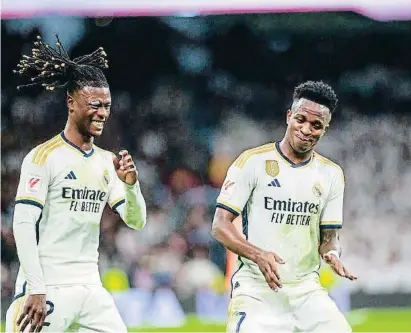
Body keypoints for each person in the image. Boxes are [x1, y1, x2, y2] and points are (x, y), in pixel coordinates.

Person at [6, 35, 147, 333]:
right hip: (48, 284)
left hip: (89, 286)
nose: (102, 112)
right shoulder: (43, 157)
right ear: (71, 102)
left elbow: (136, 221)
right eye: (94, 104)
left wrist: (132, 186)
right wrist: (36, 287)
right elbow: (22, 223)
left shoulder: (107, 162)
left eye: (107, 105)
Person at [211, 81, 357, 332]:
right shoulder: (252, 162)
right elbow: (219, 226)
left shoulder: (332, 175)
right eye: (301, 119)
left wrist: (332, 253)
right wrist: (258, 254)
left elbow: (329, 238)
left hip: (307, 292)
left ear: (325, 130)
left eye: (316, 125)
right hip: (258, 291)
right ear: (289, 116)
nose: (306, 129)